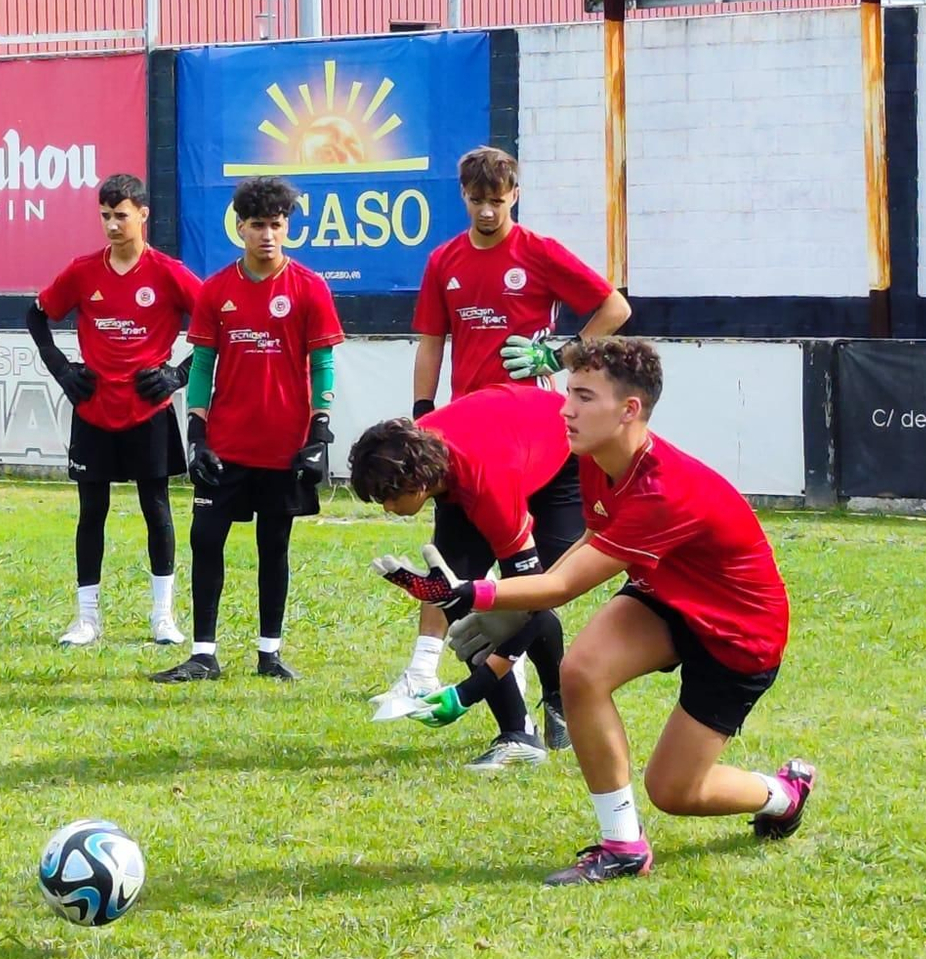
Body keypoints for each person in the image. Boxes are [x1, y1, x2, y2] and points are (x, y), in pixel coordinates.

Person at [375, 338, 815, 885]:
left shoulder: (663, 490)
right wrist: (486, 599)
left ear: (629, 410)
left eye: (583, 397)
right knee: (581, 673)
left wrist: (474, 594)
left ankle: (783, 794)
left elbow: (560, 586)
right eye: (569, 394)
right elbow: (589, 539)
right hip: (665, 597)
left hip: (736, 633)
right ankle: (623, 846)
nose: (565, 408)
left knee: (675, 792)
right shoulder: (594, 459)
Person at [152, 176, 343, 683]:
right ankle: (204, 654)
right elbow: (200, 368)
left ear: (287, 228)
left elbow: (322, 364)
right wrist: (196, 433)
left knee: (273, 547)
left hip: (284, 449)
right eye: (257, 225)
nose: (267, 235)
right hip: (227, 447)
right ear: (240, 227)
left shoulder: (310, 288)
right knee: (205, 540)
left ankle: (270, 653)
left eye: (276, 225)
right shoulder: (216, 290)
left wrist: (319, 433)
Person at [346, 380, 579, 770]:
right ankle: (518, 734)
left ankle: (560, 699)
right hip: (495, 448)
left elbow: (537, 600)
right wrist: (450, 597)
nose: (386, 508)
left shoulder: (487, 484)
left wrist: (469, 692)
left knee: (513, 603)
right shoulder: (427, 458)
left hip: (560, 465)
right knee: (459, 605)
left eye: (388, 497)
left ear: (416, 482)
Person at [29, 174, 202, 648]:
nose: (111, 224)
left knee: (157, 507)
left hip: (148, 411)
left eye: (120, 215)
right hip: (94, 410)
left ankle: (162, 617)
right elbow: (36, 314)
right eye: (105, 216)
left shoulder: (168, 272)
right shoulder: (83, 271)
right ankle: (87, 619)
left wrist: (178, 375)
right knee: (92, 511)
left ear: (143, 215)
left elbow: (217, 326)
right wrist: (63, 371)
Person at [410, 146, 630, 414]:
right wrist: (422, 409)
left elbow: (617, 309)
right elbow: (431, 343)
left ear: (515, 195)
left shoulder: (541, 252)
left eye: (496, 201)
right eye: (477, 200)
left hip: (530, 407)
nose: (487, 212)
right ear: (463, 194)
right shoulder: (441, 260)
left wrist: (557, 358)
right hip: (467, 410)